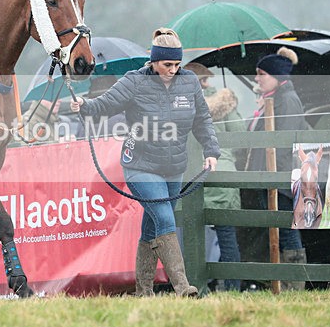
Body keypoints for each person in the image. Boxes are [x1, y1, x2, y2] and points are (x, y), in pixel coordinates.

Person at [71, 27, 220, 297]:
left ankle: (144, 290)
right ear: (153, 60)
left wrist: (212, 150)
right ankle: (183, 287)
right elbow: (106, 103)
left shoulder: (189, 83)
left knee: (151, 226)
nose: (173, 69)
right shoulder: (134, 81)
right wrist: (84, 105)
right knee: (164, 218)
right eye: (167, 64)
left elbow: (202, 120)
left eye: (177, 64)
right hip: (139, 164)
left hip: (174, 167)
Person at [244, 46, 308, 290]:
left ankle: (293, 283)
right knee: (277, 228)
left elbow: (284, 145)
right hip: (268, 176)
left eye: (262, 74)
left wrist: (279, 180)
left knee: (286, 229)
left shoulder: (288, 101)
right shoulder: (271, 101)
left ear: (277, 77)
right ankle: (280, 281)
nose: (257, 78)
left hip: (280, 178)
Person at [184, 62, 245, 292]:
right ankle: (232, 287)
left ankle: (198, 286)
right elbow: (241, 135)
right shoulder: (226, 104)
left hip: (194, 175)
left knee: (194, 238)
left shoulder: (184, 107)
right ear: (206, 81)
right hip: (223, 174)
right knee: (227, 235)